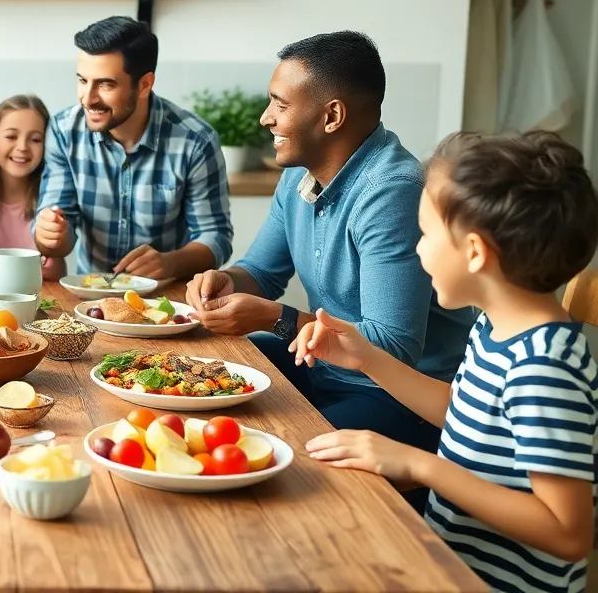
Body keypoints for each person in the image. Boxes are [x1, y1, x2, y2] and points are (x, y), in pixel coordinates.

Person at [300, 131, 598, 592]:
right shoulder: (495, 326)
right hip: (448, 562)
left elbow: (568, 533)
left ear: (475, 252)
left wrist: (420, 465)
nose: (418, 250)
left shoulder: (544, 368)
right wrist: (369, 360)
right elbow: (462, 413)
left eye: (425, 234)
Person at [185, 31, 470, 457]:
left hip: (398, 397)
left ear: (331, 116)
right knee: (194, 382)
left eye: (280, 105)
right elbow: (261, 273)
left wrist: (275, 317)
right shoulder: (298, 175)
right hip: (320, 367)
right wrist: (223, 282)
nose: (266, 118)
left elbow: (393, 348)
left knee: (270, 455)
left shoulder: (393, 191)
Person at [33, 16, 231, 279]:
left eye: (105, 84)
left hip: (167, 303)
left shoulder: (195, 141)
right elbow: (58, 234)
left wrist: (170, 263)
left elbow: (215, 236)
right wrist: (49, 235)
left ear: (144, 84)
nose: (88, 98)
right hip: (89, 299)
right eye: (82, 80)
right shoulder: (63, 130)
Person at [0, 94, 65, 280]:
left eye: (35, 139)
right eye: (11, 136)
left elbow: (57, 274)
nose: (22, 147)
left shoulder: (53, 199)